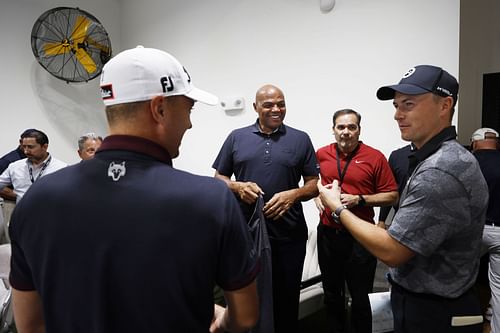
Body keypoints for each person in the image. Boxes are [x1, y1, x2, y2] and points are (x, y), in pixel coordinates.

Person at [9, 46, 259, 333]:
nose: (190, 123)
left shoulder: (37, 199)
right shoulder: (210, 199)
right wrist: (217, 319)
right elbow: (246, 316)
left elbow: (29, 325)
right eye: (188, 109)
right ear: (159, 108)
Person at [317, 65, 488, 333]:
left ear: (445, 105)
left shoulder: (440, 169)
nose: (397, 115)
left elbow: (392, 250)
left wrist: (338, 207)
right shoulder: (434, 158)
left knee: (359, 300)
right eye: (396, 106)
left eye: (408, 104)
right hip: (423, 298)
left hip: (435, 310)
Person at [212, 84, 319, 333]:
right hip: (247, 235)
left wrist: (294, 194)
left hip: (289, 235)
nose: (276, 109)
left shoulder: (300, 138)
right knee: (250, 300)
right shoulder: (237, 137)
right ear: (255, 107)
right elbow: (219, 177)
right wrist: (238, 187)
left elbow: (314, 185)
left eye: (281, 103)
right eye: (269, 104)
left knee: (286, 301)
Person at [314, 109, 398, 333]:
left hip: (360, 237)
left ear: (359, 130)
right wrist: (316, 196)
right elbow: (312, 182)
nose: (346, 132)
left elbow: (391, 195)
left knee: (361, 297)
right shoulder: (321, 154)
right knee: (331, 294)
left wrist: (359, 199)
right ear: (333, 130)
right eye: (341, 127)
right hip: (328, 234)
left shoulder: (375, 157)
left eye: (352, 127)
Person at [471, 127, 500, 333]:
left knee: (458, 279)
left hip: (474, 229)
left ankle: (463, 325)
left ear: (474, 143)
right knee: (499, 288)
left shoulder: (469, 162)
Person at [0, 129, 67, 203]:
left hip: (50, 212)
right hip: (23, 213)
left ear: (45, 147)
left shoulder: (62, 168)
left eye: (30, 147)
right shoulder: (15, 167)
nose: (26, 151)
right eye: (24, 147)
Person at [0, 129, 35, 242]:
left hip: (29, 205)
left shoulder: (33, 159)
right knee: (12, 240)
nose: (29, 149)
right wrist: (21, 196)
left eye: (33, 146)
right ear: (20, 142)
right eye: (27, 145)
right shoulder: (8, 160)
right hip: (11, 205)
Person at [377, 144, 413, 229]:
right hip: (399, 220)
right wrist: (382, 221)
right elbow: (389, 190)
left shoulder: (440, 155)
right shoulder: (398, 155)